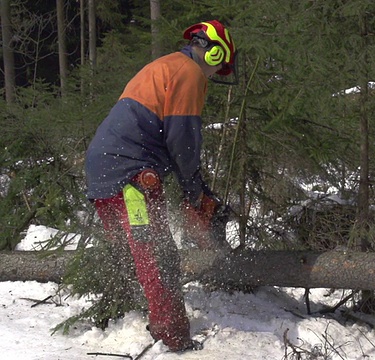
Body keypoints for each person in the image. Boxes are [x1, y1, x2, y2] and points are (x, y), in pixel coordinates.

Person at [84, 20, 236, 352]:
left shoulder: (165, 65)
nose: (214, 75)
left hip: (101, 170)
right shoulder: (189, 72)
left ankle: (146, 319)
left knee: (133, 255)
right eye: (218, 67)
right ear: (214, 53)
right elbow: (182, 140)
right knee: (158, 255)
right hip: (131, 177)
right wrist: (195, 190)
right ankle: (173, 336)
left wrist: (193, 188)